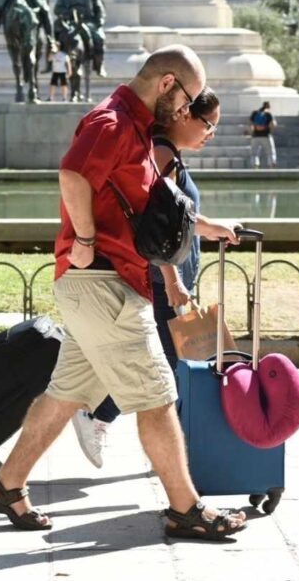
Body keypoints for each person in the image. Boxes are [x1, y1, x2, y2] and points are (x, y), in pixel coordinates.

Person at [0, 45, 248, 541]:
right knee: (159, 396)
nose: (188, 113)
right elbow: (72, 174)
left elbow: (146, 207)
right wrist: (82, 240)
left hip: (103, 285)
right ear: (167, 84)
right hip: (103, 283)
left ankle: (6, 486)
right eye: (188, 101)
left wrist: (206, 226)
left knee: (66, 395)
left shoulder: (137, 129)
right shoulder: (113, 122)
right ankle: (184, 509)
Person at [70, 87, 240, 467]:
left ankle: (124, 427)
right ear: (184, 116)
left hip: (171, 279)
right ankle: (102, 418)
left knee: (166, 363)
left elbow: (182, 218)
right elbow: (157, 223)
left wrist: (214, 227)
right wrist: (173, 281)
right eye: (208, 125)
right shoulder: (162, 153)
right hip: (163, 279)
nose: (210, 134)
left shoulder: (170, 154)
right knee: (167, 365)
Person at [54, 0, 108, 77]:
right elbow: (57, 9)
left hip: (88, 22)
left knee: (99, 38)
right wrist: (68, 13)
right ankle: (54, 61)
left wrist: (100, 21)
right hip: (70, 22)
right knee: (58, 36)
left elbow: (99, 9)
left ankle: (99, 64)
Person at [249, 101, 277, 169]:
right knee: (270, 152)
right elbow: (273, 124)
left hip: (255, 136)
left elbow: (251, 124)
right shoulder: (268, 114)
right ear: (268, 106)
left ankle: (255, 165)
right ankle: (271, 165)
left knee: (254, 153)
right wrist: (270, 130)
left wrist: (252, 132)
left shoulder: (255, 113)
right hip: (266, 135)